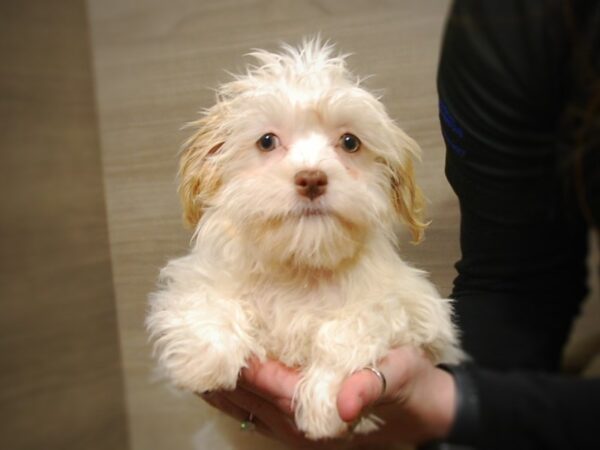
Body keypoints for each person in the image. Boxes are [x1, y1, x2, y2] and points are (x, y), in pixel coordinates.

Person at [200, 1, 600, 448]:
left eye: (348, 143)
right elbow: (515, 283)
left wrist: (445, 406)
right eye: (269, 142)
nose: (310, 171)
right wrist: (455, 415)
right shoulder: (502, 31)